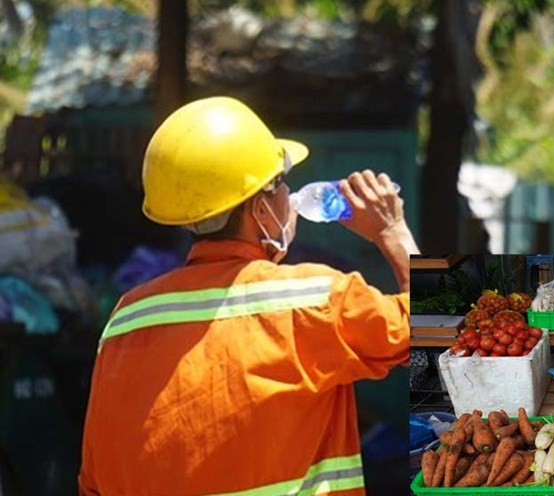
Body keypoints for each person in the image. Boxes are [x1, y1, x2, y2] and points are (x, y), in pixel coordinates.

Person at [78, 96, 419, 496]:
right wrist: (392, 232)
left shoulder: (127, 319)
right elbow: (448, 326)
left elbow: (94, 483)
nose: (290, 196)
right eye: (281, 184)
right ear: (260, 211)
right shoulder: (313, 302)